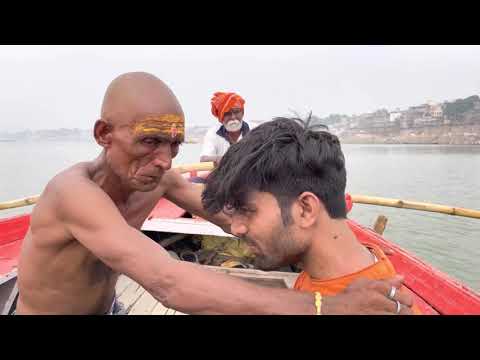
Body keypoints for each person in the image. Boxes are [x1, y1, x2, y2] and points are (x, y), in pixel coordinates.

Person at [16, 72, 413, 315]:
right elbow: (168, 281)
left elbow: (230, 218)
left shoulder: (161, 180)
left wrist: (318, 238)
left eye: (173, 146)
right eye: (150, 141)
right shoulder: (73, 193)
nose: (164, 160)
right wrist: (330, 306)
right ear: (104, 134)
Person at [202, 116, 420, 314]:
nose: (235, 227)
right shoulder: (332, 269)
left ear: (306, 209)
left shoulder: (376, 308)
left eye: (247, 210)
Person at [199, 92, 250, 165]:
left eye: (236, 112)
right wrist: (221, 159)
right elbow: (203, 159)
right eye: (227, 114)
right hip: (224, 175)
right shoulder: (213, 133)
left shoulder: (255, 129)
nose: (233, 117)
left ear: (242, 113)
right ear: (221, 117)